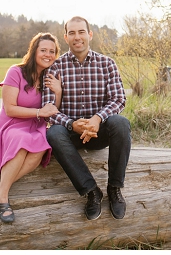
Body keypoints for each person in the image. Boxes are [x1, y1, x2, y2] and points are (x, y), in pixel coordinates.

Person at [44, 16, 131, 220]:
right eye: (72, 33)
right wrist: (72, 124)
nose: (77, 37)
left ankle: (114, 188)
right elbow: (48, 108)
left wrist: (97, 119)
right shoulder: (55, 67)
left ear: (89, 34)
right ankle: (91, 191)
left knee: (121, 123)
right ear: (66, 37)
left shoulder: (107, 64)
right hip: (71, 135)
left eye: (81, 32)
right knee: (54, 133)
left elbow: (119, 99)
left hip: (99, 131)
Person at [0, 32, 62, 223]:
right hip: (11, 124)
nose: (48, 55)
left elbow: (54, 109)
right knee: (21, 140)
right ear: (34, 51)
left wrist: (58, 92)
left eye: (52, 51)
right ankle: (3, 197)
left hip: (35, 125)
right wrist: (39, 113)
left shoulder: (51, 77)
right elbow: (10, 109)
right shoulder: (15, 72)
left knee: (38, 151)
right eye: (43, 50)